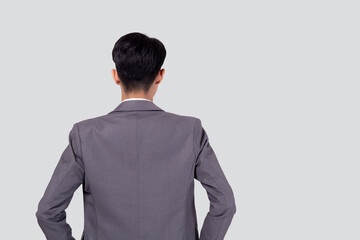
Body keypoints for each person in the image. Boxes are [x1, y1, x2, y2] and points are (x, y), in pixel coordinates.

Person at [35, 32, 236, 240]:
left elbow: (47, 213)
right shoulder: (190, 131)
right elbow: (225, 203)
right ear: (160, 75)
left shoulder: (85, 135)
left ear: (115, 76)